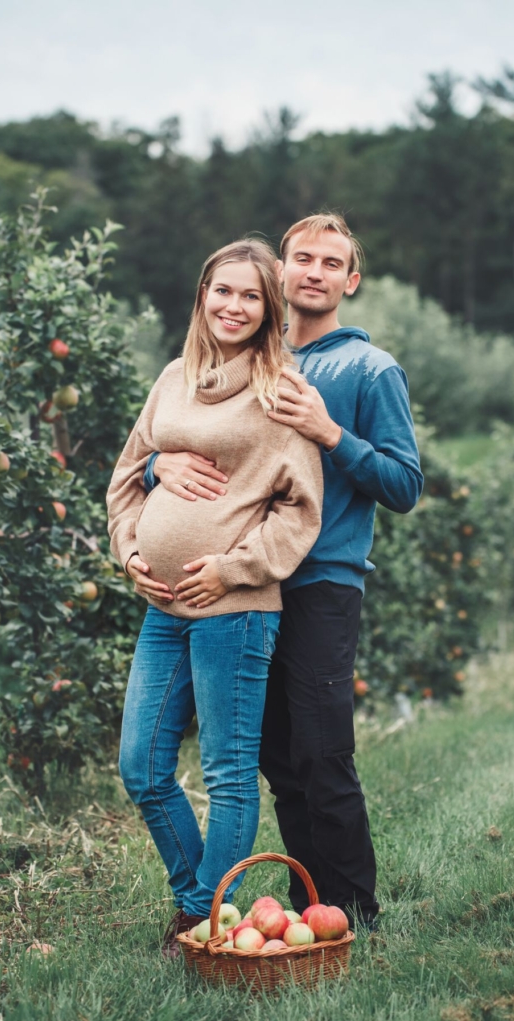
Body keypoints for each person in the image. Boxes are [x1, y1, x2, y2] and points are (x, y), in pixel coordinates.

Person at [142, 214, 423, 930]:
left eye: (332, 263)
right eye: (301, 258)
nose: (314, 272)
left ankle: (353, 913)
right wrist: (154, 464)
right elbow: (191, 441)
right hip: (242, 594)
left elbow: (402, 486)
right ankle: (309, 905)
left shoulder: (366, 370)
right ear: (279, 274)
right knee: (274, 761)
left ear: (350, 281)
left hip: (320, 581)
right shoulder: (248, 359)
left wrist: (328, 431)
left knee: (322, 751)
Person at [106, 238, 323, 954]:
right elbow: (127, 472)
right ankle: (201, 904)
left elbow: (299, 511)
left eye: (250, 296)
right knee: (141, 765)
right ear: (202, 295)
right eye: (221, 291)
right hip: (162, 605)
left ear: (268, 310)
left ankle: (200, 917)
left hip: (235, 610)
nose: (233, 305)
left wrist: (233, 569)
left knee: (229, 773)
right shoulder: (173, 378)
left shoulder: (280, 392)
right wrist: (131, 548)